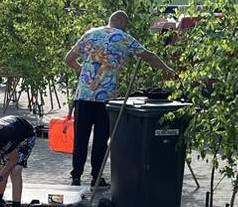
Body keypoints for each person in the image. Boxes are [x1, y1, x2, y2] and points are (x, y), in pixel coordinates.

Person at [63, 10, 174, 187]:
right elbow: (148, 56)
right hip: (105, 98)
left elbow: (69, 59)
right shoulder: (123, 38)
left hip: (83, 96)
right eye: (126, 24)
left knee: (81, 139)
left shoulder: (90, 34)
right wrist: (167, 69)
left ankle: (76, 176)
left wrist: (82, 72)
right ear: (122, 22)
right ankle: (96, 178)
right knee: (101, 139)